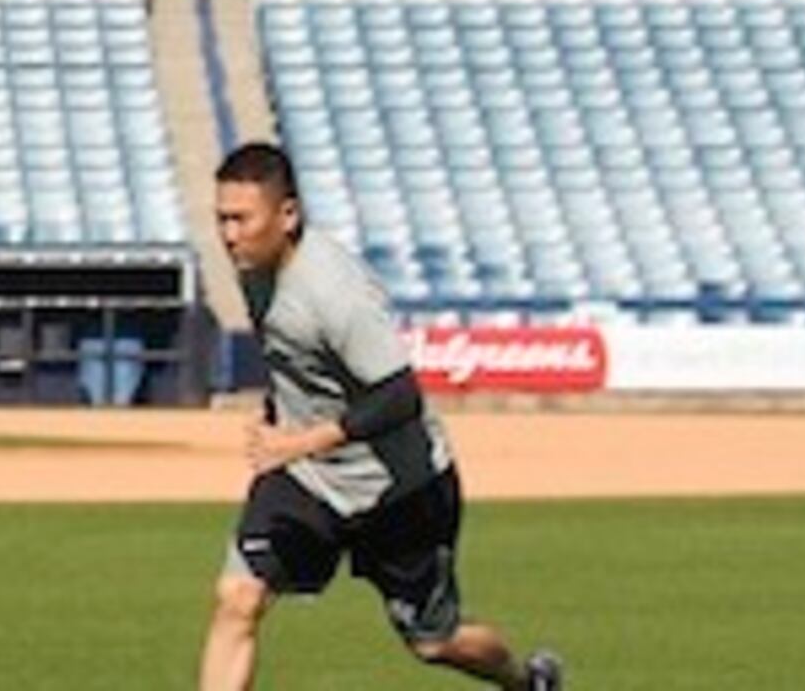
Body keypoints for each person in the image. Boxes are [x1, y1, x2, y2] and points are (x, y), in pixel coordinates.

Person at [202, 142, 562, 691]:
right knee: (237, 600)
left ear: (288, 216)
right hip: (309, 481)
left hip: (400, 489)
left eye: (241, 219)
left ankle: (525, 681)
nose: (229, 235)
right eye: (222, 218)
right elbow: (295, 360)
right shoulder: (253, 266)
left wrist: (302, 441)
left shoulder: (336, 293)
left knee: (434, 641)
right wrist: (280, 415)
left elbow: (400, 395)